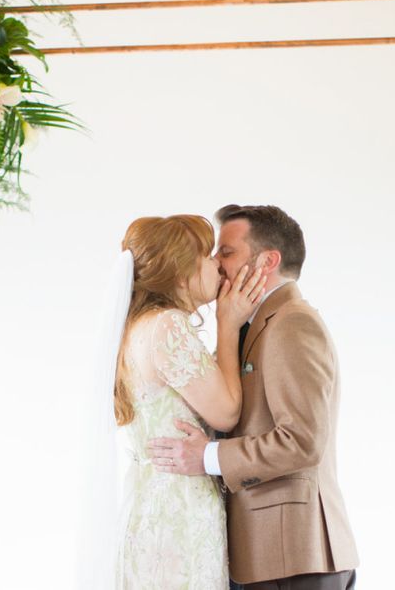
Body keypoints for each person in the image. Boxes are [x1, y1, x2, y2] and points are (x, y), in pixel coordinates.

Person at [148, 205, 359, 589]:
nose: (216, 263)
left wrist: (207, 457)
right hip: (268, 555)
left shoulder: (292, 322)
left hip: (294, 556)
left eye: (226, 252)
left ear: (268, 261)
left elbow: (303, 440)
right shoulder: (254, 322)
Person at [113, 214, 267, 589]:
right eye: (205, 254)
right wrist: (229, 326)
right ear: (181, 273)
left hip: (150, 498)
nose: (217, 263)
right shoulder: (167, 326)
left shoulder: (138, 326)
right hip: (178, 508)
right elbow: (227, 411)